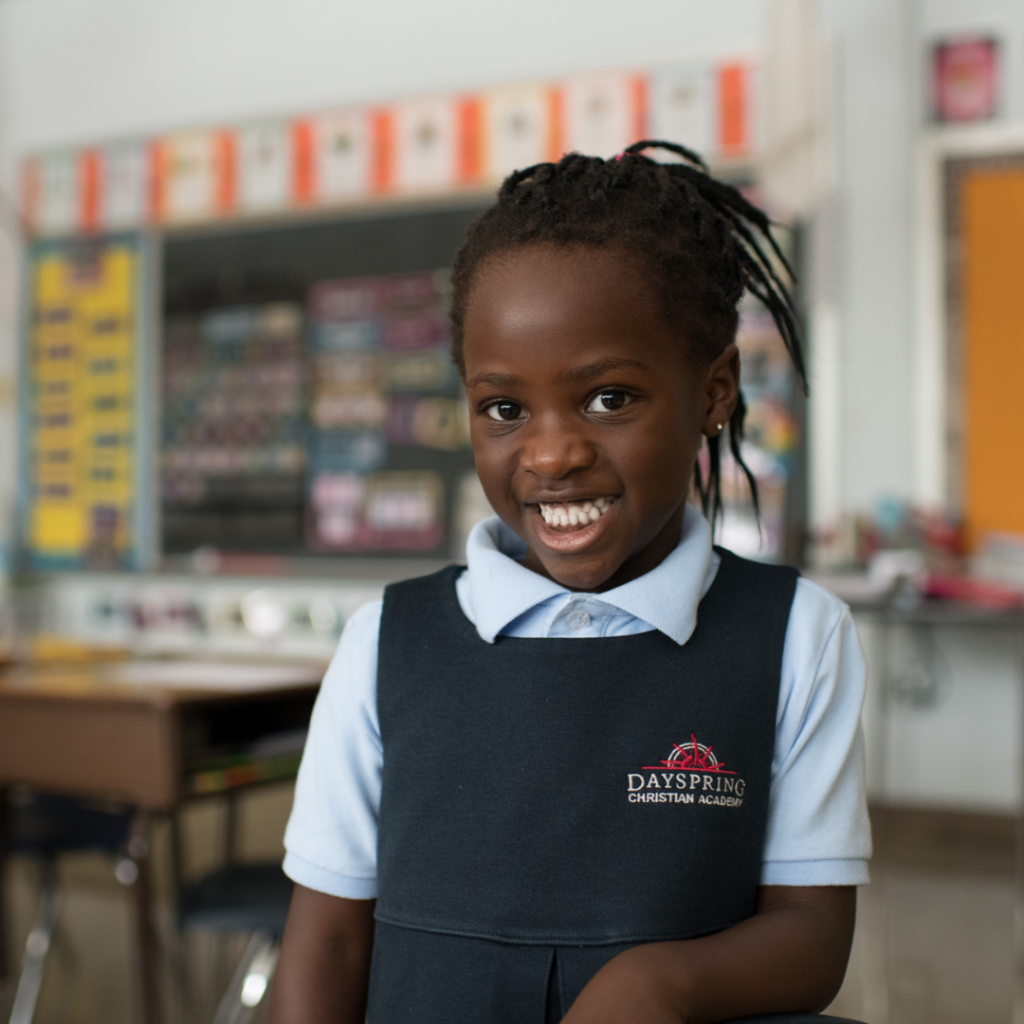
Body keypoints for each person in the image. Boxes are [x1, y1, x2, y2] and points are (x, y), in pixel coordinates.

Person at [268, 141, 871, 1024]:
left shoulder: (795, 635)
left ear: (715, 392)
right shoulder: (386, 643)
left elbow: (814, 935)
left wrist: (658, 983)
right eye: (504, 410)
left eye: (609, 398)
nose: (551, 453)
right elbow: (327, 943)